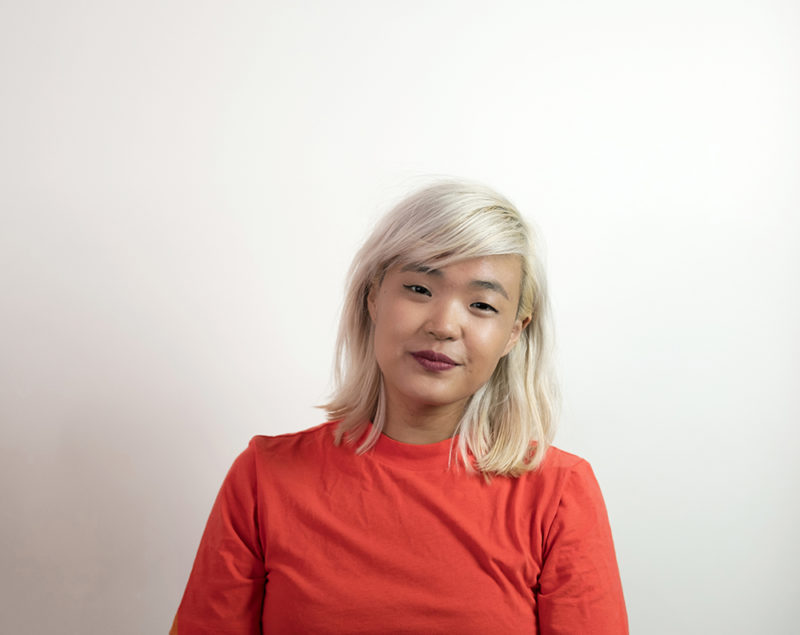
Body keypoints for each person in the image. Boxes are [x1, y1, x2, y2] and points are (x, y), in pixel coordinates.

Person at [170, 180, 628, 634]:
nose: (445, 325)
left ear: (514, 332)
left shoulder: (559, 494)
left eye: (482, 305)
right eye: (419, 289)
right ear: (373, 296)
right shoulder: (263, 479)